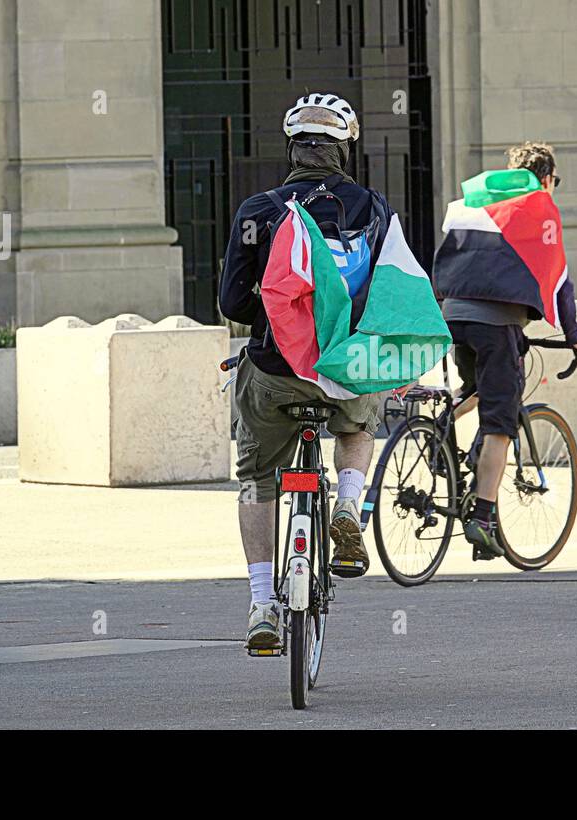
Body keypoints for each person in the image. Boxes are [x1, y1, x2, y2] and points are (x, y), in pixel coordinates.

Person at [219, 93, 390, 650]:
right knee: (358, 424)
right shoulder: (373, 209)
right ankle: (346, 502)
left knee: (256, 479)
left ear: (292, 146)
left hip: (274, 368)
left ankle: (262, 603)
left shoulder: (257, 210)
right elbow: (389, 293)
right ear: (346, 149)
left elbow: (232, 304)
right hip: (344, 366)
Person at [434, 141, 577, 557]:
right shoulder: (539, 208)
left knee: (474, 388)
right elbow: (559, 280)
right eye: (554, 181)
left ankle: (437, 429)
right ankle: (484, 517)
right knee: (499, 424)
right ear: (546, 178)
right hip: (496, 323)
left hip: (452, 313)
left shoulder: (475, 203)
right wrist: (575, 335)